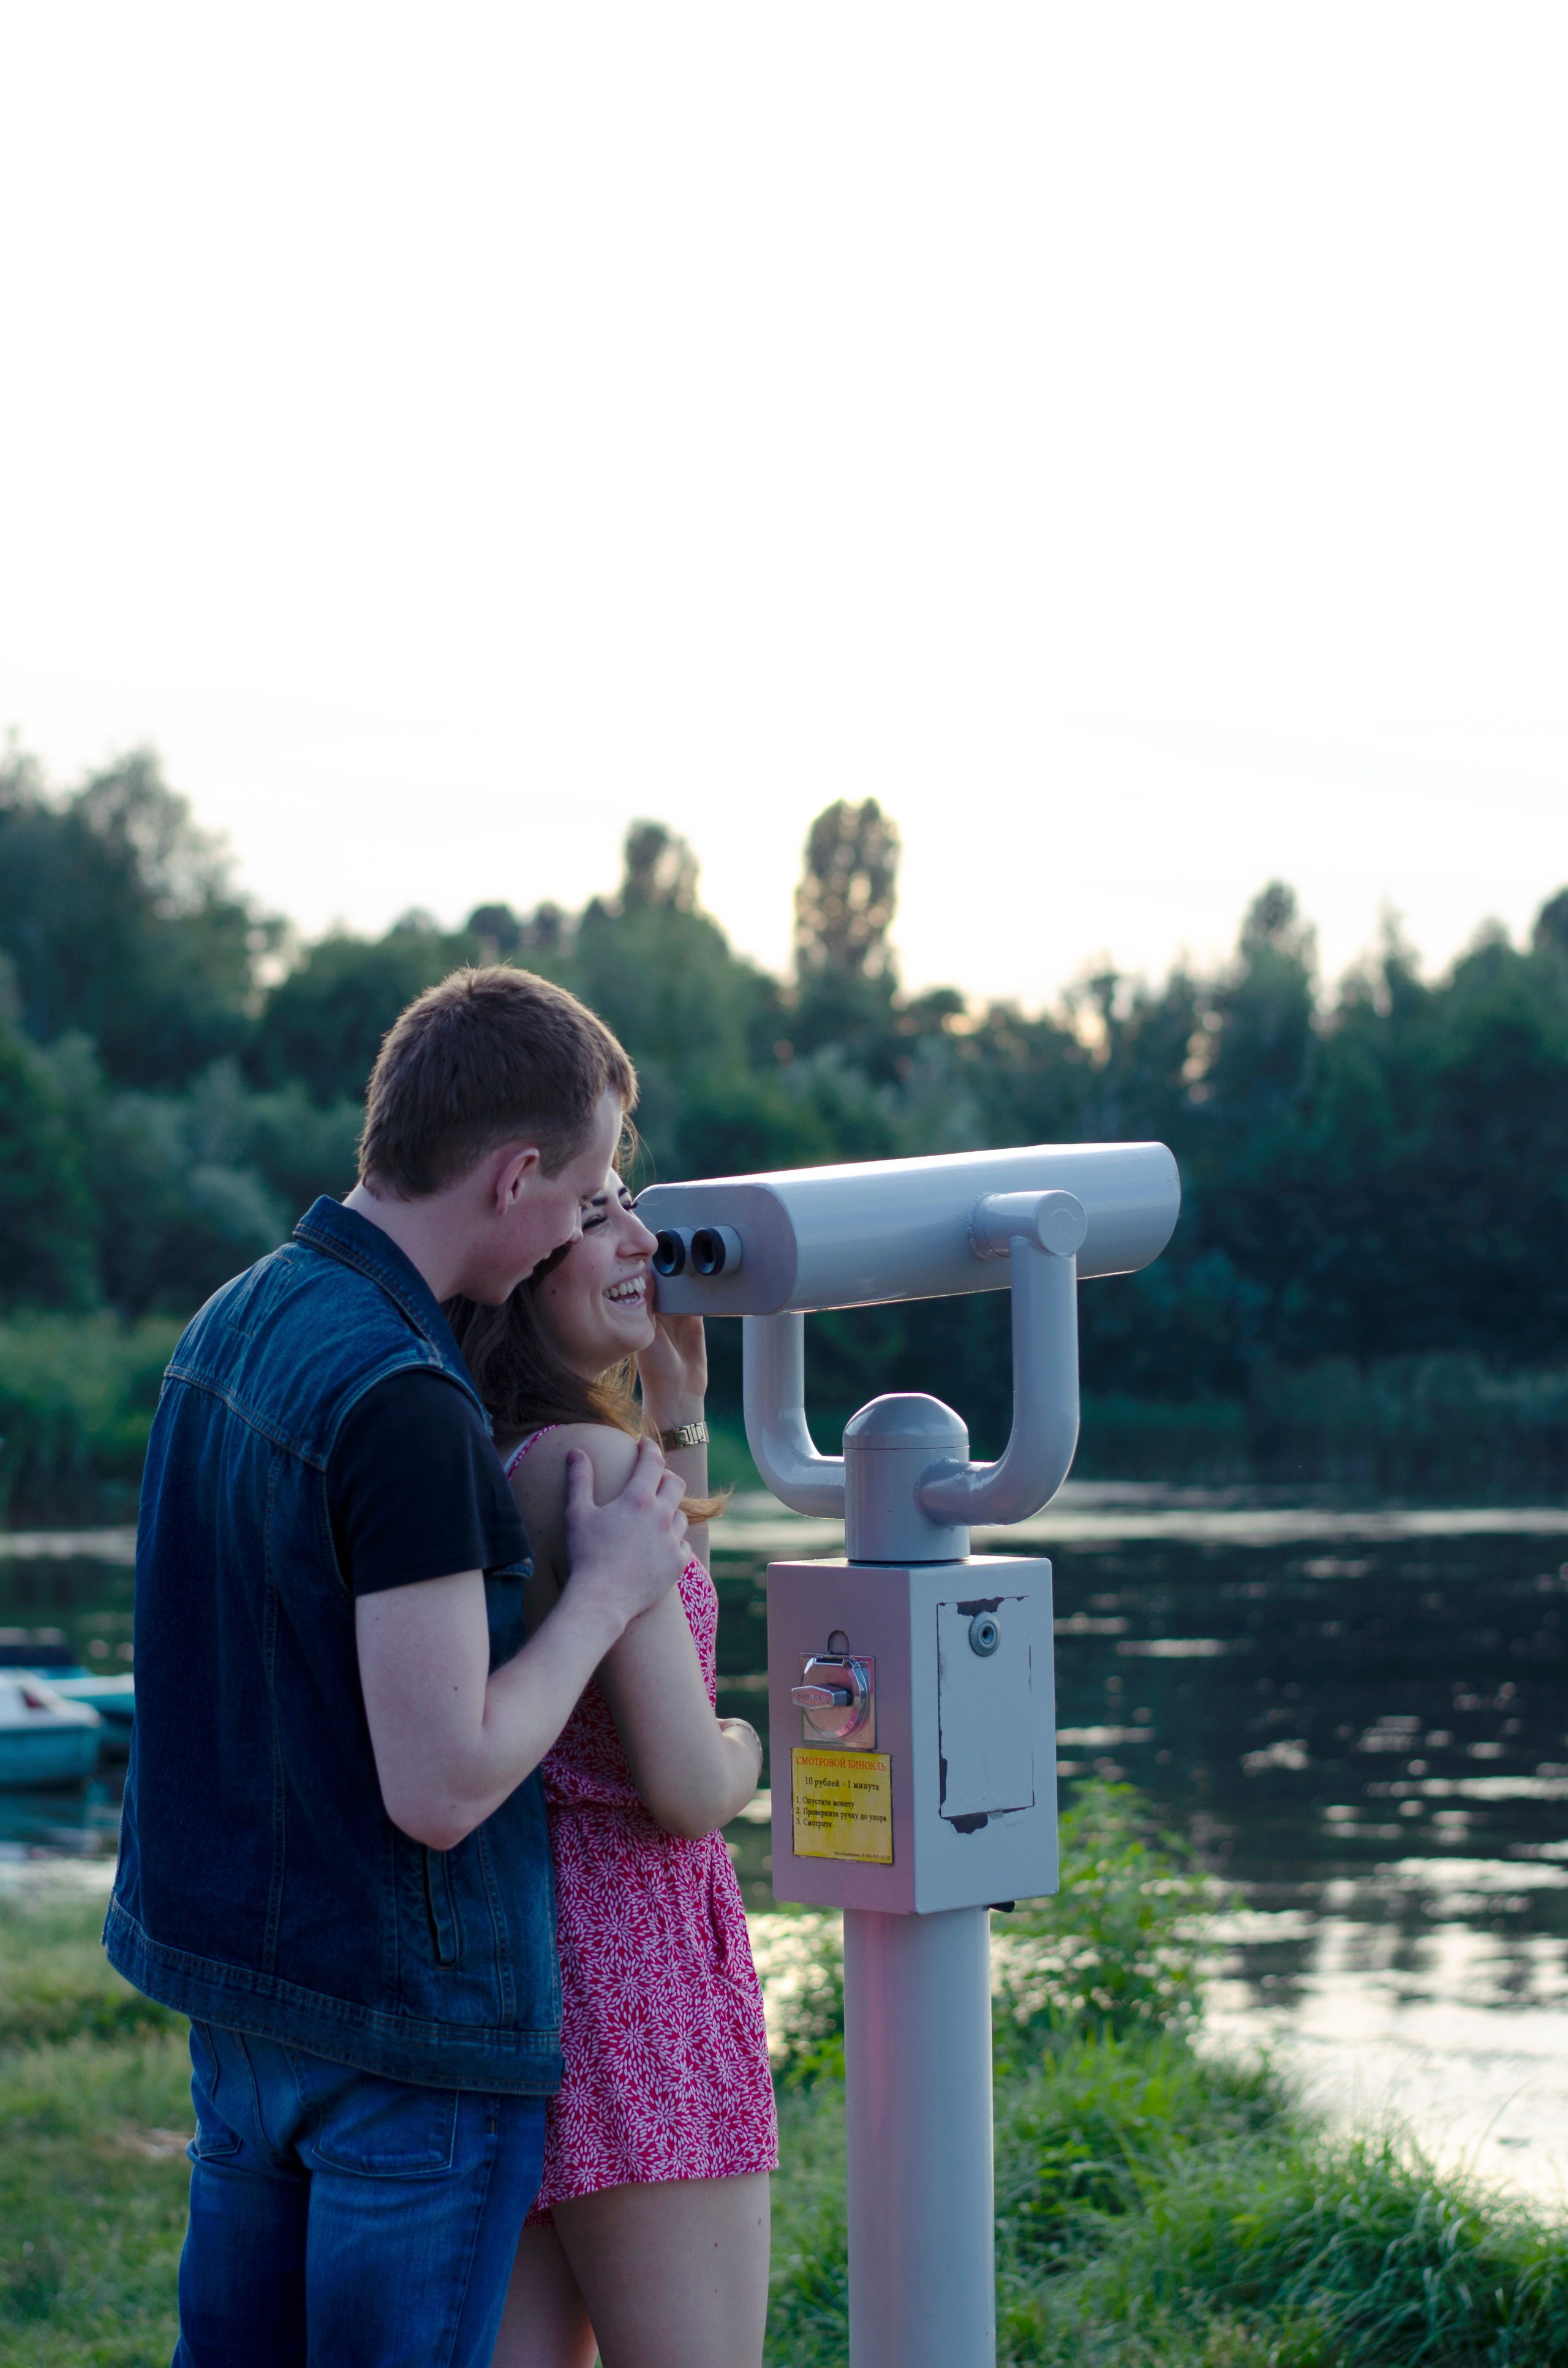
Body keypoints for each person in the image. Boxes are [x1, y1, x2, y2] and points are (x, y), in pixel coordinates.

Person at [106, 967, 692, 2368]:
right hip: (401, 2042)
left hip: (243, 2006)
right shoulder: (408, 1405)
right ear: (513, 1176)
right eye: (590, 1188)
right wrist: (605, 1593)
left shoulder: (229, 1321)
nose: (595, 1224)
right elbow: (442, 1782)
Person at [447, 1170, 776, 2368]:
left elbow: (651, 1632)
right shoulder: (595, 1465)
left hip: (523, 1971)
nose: (639, 1238)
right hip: (641, 1982)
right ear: (521, 1255)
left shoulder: (495, 1451)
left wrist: (677, 1409)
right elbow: (685, 1782)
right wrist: (752, 1748)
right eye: (596, 1218)